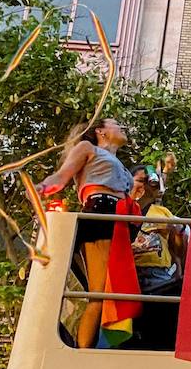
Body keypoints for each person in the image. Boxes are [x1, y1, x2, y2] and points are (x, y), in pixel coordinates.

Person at [37, 118, 136, 348]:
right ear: (100, 131)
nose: (122, 126)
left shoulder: (119, 164)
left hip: (121, 222)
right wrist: (43, 188)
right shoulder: (87, 148)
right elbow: (62, 175)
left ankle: (100, 347)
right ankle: (83, 354)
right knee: (99, 293)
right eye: (116, 123)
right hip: (100, 213)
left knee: (116, 293)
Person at [129, 165, 182, 294]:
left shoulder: (162, 212)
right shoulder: (120, 208)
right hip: (127, 270)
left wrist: (178, 267)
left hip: (158, 272)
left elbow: (176, 245)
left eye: (149, 182)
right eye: (141, 181)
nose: (146, 186)